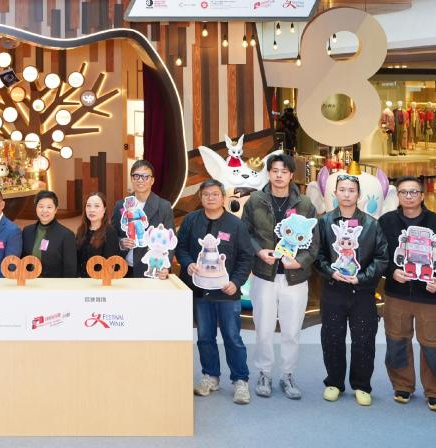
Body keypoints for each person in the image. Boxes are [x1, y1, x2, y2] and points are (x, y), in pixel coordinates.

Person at [379, 176, 436, 412]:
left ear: (422, 195)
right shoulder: (386, 222)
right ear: (398, 196)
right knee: (396, 341)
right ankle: (402, 385)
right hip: (397, 294)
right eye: (404, 192)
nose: (409, 196)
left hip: (429, 297)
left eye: (414, 192)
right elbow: (378, 254)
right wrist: (391, 272)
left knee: (433, 344)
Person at [241, 153, 318, 400]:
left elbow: (314, 243)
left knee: (291, 330)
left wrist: (300, 261)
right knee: (263, 328)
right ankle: (264, 373)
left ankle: (288, 374)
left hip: (295, 277)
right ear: (269, 173)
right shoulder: (255, 200)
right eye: (274, 170)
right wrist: (258, 251)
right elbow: (245, 233)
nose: (279, 175)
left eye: (284, 171)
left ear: (291, 175)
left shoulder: (305, 204)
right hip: (264, 275)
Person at [176, 179, 255, 405]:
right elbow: (180, 248)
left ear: (223, 197)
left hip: (227, 292)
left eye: (215, 194)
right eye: (206, 194)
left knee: (232, 337)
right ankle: (210, 376)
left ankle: (240, 380)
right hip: (200, 291)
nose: (210, 198)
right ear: (201, 197)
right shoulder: (191, 220)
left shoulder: (236, 224)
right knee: (204, 336)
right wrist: (188, 263)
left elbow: (246, 257)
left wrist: (236, 282)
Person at [314, 173, 389, 406]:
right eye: (342, 190)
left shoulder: (371, 224)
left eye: (351, 190)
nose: (346, 194)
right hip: (333, 289)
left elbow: (382, 258)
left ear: (359, 195)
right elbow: (317, 255)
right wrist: (330, 272)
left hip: (362, 291)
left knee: (364, 339)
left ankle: (362, 385)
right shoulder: (324, 222)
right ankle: (334, 382)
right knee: (332, 337)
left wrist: (361, 278)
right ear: (335, 193)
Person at [109, 159, 174, 277]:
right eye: (136, 176)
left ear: (152, 180)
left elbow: (170, 239)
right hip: (124, 267)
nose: (140, 180)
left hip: (151, 268)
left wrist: (166, 266)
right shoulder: (121, 205)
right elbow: (111, 235)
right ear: (131, 178)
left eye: (145, 176)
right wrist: (121, 242)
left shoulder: (164, 206)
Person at [20, 190, 77, 278]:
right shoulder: (27, 231)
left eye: (49, 207)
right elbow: (22, 260)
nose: (44, 210)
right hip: (30, 281)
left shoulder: (66, 235)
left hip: (53, 284)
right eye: (41, 206)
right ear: (36, 208)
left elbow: (70, 269)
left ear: (56, 210)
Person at [76, 191, 118, 276]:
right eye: (88, 206)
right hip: (81, 280)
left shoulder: (110, 232)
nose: (92, 210)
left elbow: (109, 264)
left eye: (97, 206)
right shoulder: (81, 230)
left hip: (99, 279)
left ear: (104, 209)